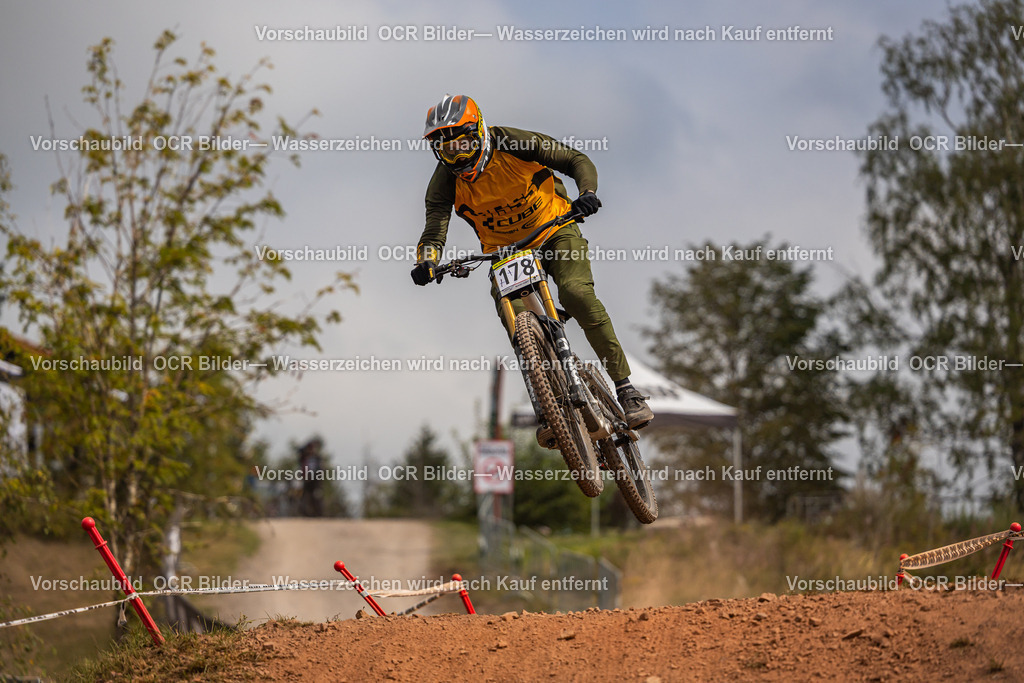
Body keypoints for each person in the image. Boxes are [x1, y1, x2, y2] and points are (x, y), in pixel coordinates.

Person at [411, 94, 653, 434]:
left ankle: (627, 390)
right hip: (504, 252)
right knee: (516, 323)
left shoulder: (512, 142)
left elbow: (574, 159)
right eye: (448, 150)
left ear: (479, 130)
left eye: (464, 143)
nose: (459, 156)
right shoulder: (445, 181)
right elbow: (434, 226)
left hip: (553, 228)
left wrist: (587, 192)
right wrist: (427, 261)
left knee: (574, 294)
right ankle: (547, 409)